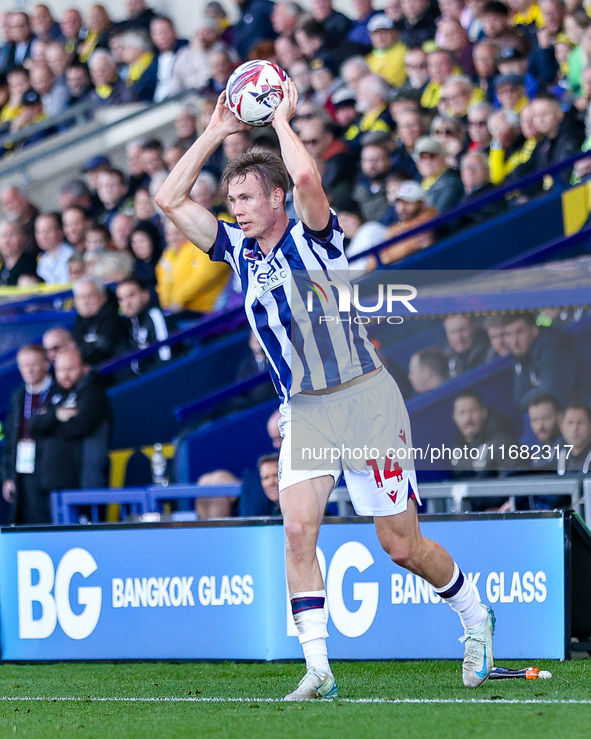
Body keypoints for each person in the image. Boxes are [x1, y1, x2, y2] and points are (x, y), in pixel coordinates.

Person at [155, 80, 496, 700]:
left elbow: (310, 184)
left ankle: (476, 618)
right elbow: (168, 197)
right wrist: (215, 132)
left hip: (365, 400)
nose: (237, 209)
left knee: (402, 545)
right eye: (232, 199)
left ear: (277, 197)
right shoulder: (238, 251)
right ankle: (318, 668)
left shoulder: (317, 237)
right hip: (306, 411)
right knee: (297, 530)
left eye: (248, 198)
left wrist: (282, 120)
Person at [28, 346, 112, 495]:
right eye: (60, 370)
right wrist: (56, 416)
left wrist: (49, 429)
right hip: (55, 480)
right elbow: (33, 425)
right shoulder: (56, 394)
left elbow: (81, 426)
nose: (65, 375)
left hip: (84, 480)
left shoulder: (93, 393)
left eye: (71, 369)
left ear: (84, 368)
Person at [1, 344, 55, 524]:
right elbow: (10, 439)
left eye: (34, 364)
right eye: (24, 365)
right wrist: (8, 477)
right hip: (22, 472)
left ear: (46, 364)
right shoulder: (18, 395)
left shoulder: (57, 392)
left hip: (49, 472)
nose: (29, 370)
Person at [502, 312, 591, 412]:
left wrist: (534, 393)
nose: (514, 341)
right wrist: (541, 390)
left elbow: (552, 396)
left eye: (520, 332)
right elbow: (518, 400)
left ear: (534, 331)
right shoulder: (519, 357)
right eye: (508, 334)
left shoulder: (554, 349)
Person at [450, 391, 520, 509]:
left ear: (484, 413)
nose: (468, 419)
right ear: (454, 417)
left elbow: (512, 488)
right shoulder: (455, 446)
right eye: (462, 413)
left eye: (473, 411)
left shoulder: (503, 442)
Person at [367, 180, 437, 267]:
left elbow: (405, 249)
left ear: (422, 204)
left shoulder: (430, 218)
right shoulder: (396, 227)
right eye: (399, 203)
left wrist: (388, 257)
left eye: (408, 202)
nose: (402, 208)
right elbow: (370, 264)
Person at [116, 276, 174, 373]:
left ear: (145, 295)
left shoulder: (155, 315)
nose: (126, 303)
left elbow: (166, 357)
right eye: (121, 299)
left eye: (131, 296)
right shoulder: (130, 324)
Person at [72, 276, 128, 364]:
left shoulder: (112, 321)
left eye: (89, 296)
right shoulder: (80, 321)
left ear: (103, 297)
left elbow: (104, 352)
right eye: (80, 297)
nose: (84, 302)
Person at [413, 137, 464, 213]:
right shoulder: (421, 185)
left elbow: (438, 214)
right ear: (418, 164)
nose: (428, 161)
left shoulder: (452, 181)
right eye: (423, 157)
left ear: (443, 157)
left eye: (432, 156)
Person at [443, 314, 491, 379]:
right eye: (452, 332)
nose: (458, 338)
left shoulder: (489, 351)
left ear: (474, 327)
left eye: (463, 330)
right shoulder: (447, 357)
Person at [35, 212, 74, 285]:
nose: (43, 236)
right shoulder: (42, 261)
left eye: (47, 231)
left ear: (60, 231)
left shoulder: (71, 254)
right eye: (39, 232)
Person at [557, 403, 591, 476]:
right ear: (561, 427)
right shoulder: (556, 459)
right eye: (570, 423)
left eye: (580, 423)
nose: (574, 429)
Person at [0, 220, 37, 285]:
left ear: (23, 237)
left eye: (11, 235)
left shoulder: (29, 263)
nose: (7, 241)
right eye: (3, 236)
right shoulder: (3, 266)